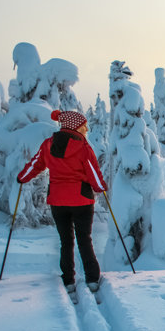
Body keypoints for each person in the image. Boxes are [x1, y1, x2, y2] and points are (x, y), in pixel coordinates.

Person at [17, 110, 108, 300]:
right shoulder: (83, 146)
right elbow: (93, 170)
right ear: (76, 126)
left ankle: (68, 280)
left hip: (58, 201)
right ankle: (92, 279)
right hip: (82, 200)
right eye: (84, 126)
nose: (86, 129)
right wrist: (101, 187)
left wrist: (23, 178)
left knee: (66, 241)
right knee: (85, 240)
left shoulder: (48, 145)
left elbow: (35, 165)